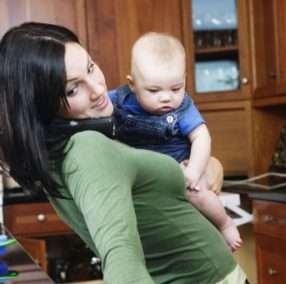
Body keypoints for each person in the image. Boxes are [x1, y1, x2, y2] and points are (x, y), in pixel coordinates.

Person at [0, 22, 247, 284]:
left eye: (90, 67)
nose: (97, 89)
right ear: (41, 103)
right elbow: (121, 255)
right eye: (73, 89)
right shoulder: (86, 149)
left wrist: (210, 165)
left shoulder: (80, 142)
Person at [109, 32, 242, 251]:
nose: (166, 97)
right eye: (154, 90)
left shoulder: (183, 108)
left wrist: (194, 171)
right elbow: (95, 105)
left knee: (196, 192)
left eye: (176, 88)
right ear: (132, 84)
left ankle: (225, 223)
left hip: (179, 168)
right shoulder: (119, 99)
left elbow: (201, 136)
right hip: (145, 174)